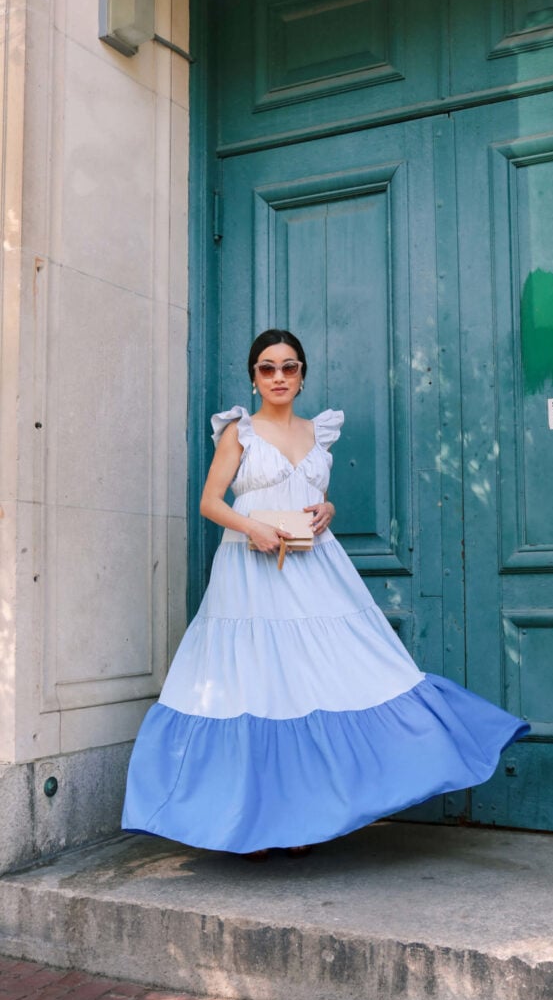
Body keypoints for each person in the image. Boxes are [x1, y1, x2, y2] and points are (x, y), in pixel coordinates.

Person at [122, 328, 529, 858]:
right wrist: (253, 530)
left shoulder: (320, 431)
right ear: (254, 376)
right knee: (257, 684)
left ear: (302, 374)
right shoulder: (239, 432)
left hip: (314, 565)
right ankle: (254, 821)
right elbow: (210, 502)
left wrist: (329, 509)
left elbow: (315, 496)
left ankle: (305, 819)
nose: (278, 377)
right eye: (267, 368)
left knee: (322, 679)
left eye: (289, 367)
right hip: (251, 569)